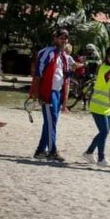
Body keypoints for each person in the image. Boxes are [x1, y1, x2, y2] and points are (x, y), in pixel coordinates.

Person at [32, 29, 70, 161]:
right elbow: (37, 74)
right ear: (55, 39)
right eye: (61, 38)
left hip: (57, 93)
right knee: (51, 122)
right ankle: (52, 150)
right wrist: (37, 95)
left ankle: (41, 150)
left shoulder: (64, 56)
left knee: (50, 122)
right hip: (47, 92)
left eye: (65, 38)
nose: (63, 40)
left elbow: (65, 77)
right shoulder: (47, 52)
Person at [82, 46, 110, 169]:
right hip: (98, 106)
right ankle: (101, 158)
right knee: (104, 132)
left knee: (104, 132)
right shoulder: (106, 69)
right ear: (107, 57)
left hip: (106, 107)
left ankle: (88, 153)